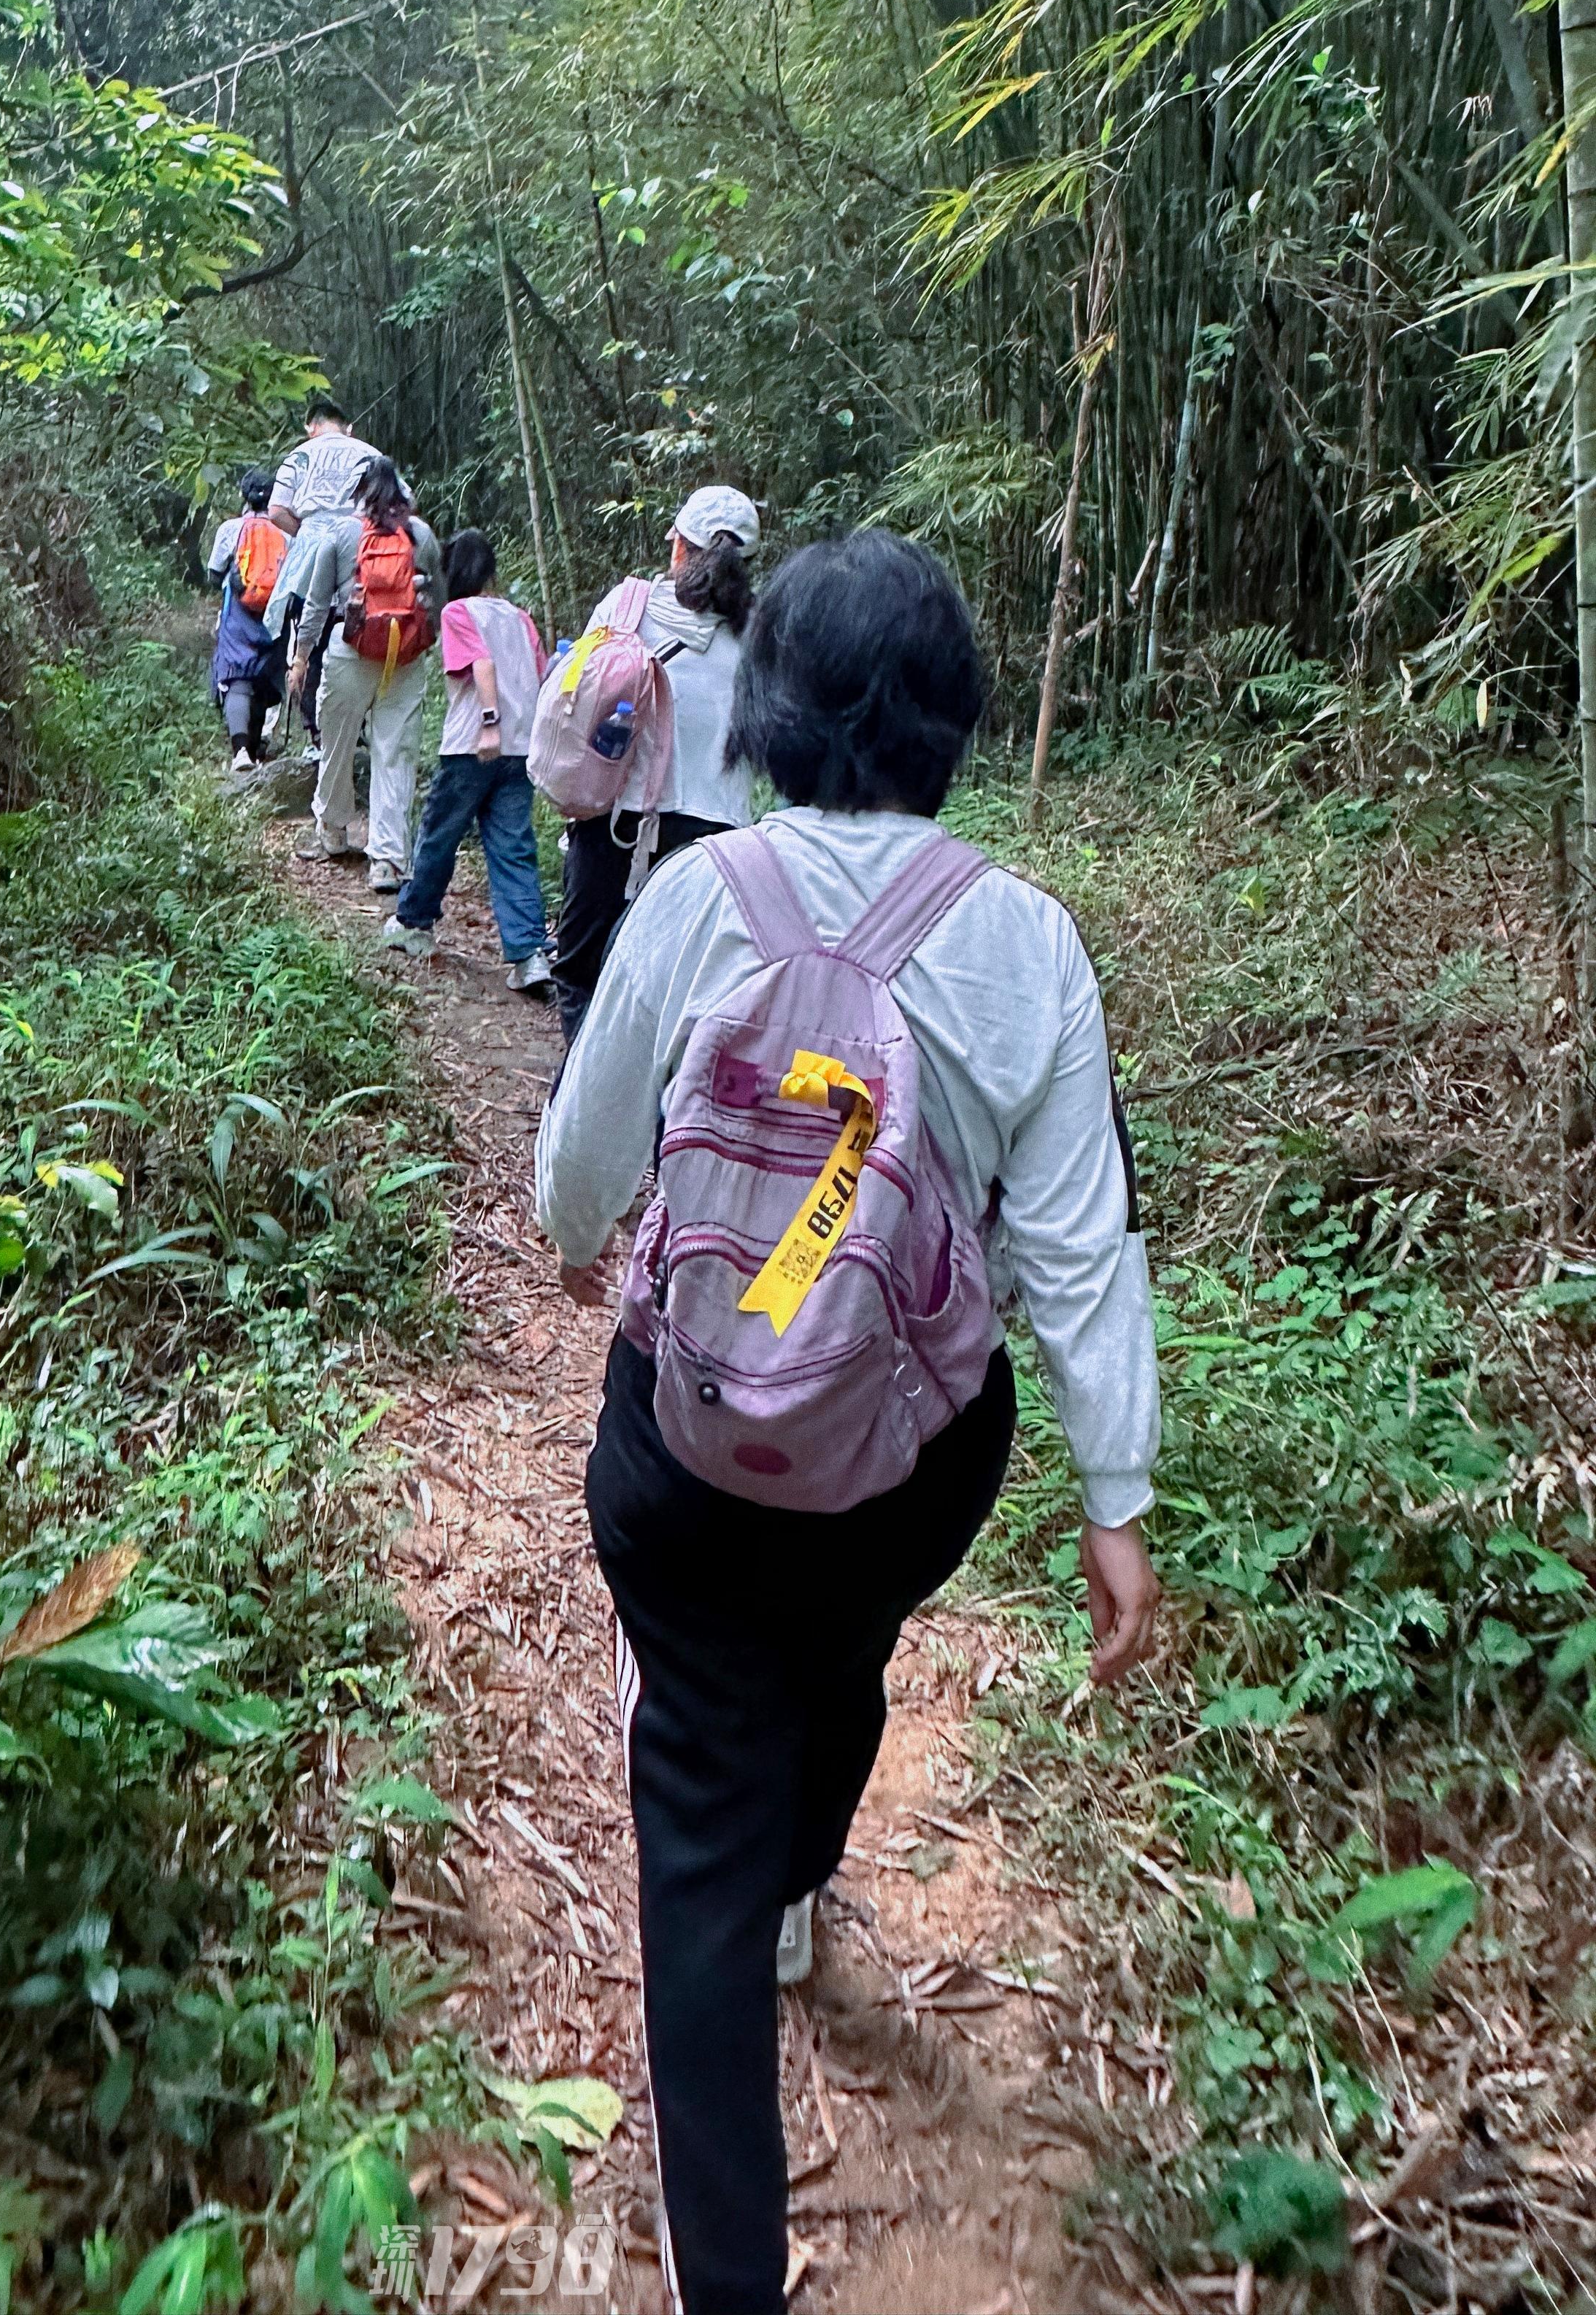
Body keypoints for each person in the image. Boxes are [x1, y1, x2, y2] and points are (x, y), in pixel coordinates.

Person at [534, 528, 1162, 2315]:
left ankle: (728, 2271)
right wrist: (1115, 1497)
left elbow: (581, 1165)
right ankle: (804, 1872)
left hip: (690, 1442)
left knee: (701, 1815)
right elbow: (1080, 1245)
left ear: (773, 712)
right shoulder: (1027, 942)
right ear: (951, 723)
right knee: (844, 1647)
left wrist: (579, 1243)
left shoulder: (697, 899)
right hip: (909, 1464)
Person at [550, 483, 760, 1046]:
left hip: (618, 822)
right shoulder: (764, 635)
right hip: (719, 840)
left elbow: (573, 694)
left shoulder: (629, 607)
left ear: (679, 547)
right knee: (684, 992)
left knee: (582, 971)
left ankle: (587, 1088)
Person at [382, 530, 555, 993]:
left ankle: (414, 922)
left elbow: (482, 665)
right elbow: (544, 675)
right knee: (513, 847)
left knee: (440, 834)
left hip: (472, 746)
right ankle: (529, 954)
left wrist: (489, 722)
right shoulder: (521, 618)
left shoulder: (458, 612)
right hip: (520, 750)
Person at [292, 455, 446, 887]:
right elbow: (440, 601)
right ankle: (388, 861)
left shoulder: (341, 533)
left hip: (350, 650)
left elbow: (316, 605)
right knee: (395, 752)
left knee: (337, 743)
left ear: (358, 494)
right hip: (405, 655)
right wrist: (427, 643)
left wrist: (300, 658)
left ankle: (333, 828)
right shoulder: (421, 535)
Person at [267, 396, 382, 750]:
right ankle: (356, 727)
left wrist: (307, 532)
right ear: (349, 428)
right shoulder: (370, 455)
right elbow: (402, 502)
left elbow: (276, 511)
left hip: (310, 557)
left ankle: (316, 733)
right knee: (356, 636)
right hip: (360, 555)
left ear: (310, 427)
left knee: (310, 638)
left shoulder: (298, 456)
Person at [207, 469, 287, 771]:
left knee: (237, 677)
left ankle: (241, 752)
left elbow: (214, 574)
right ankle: (259, 747)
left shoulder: (231, 529)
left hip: (238, 613)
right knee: (266, 676)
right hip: (276, 614)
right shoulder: (287, 532)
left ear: (244, 496)